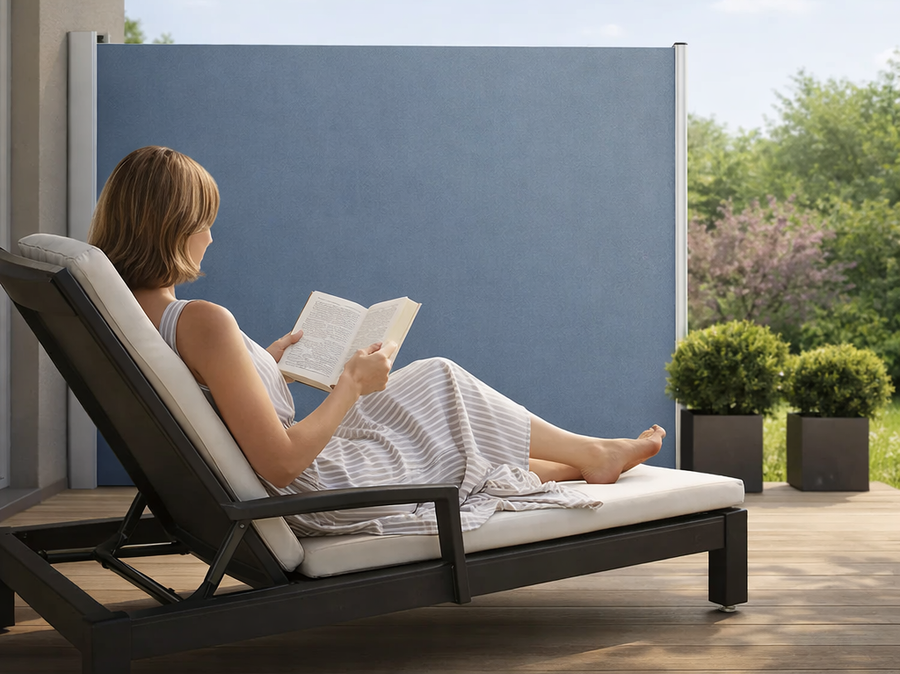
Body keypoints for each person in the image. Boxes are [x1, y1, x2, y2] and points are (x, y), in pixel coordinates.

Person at [89, 146, 665, 536]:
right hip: (318, 495)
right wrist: (349, 386)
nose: (211, 238)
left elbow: (204, 402)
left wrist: (263, 367)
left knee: (431, 391)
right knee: (440, 383)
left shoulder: (132, 316)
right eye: (203, 222)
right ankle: (592, 454)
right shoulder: (201, 320)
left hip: (286, 482)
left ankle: (588, 456)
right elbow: (283, 463)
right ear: (172, 227)